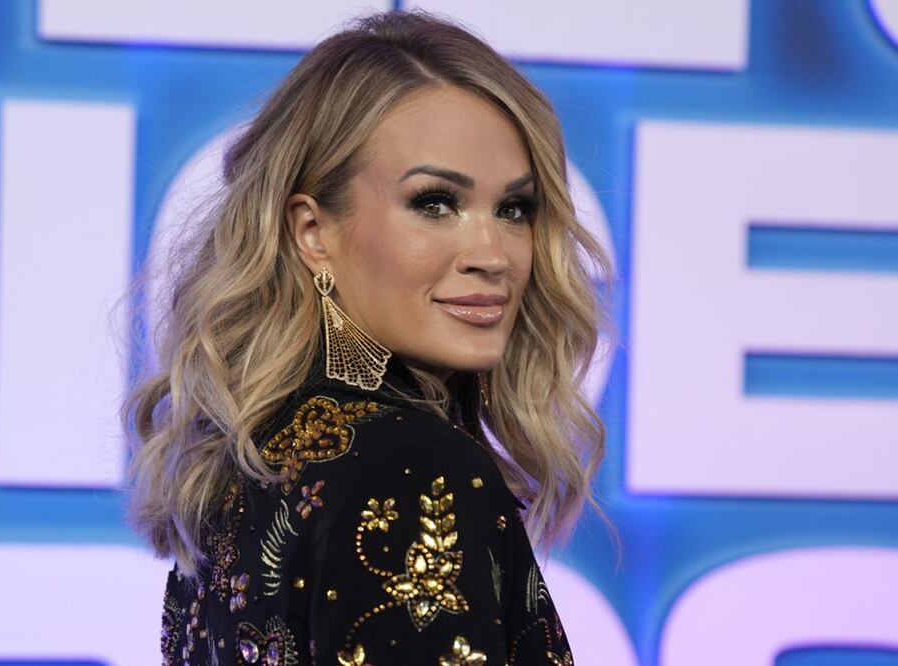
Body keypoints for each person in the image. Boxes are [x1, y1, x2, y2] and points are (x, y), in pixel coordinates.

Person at [122, 8, 615, 665]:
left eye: (513, 209)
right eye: (434, 203)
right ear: (312, 232)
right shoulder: (419, 471)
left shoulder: (246, 470)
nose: (492, 253)